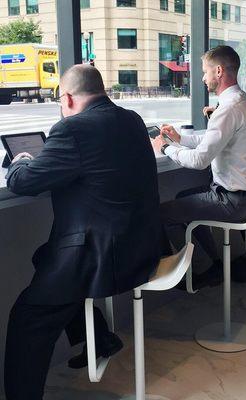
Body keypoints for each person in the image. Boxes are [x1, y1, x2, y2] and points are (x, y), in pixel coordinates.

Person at [4, 65, 161, 400]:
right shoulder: (131, 119)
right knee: (44, 257)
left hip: (106, 255)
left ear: (69, 97)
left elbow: (23, 182)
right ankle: (100, 338)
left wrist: (21, 159)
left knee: (28, 317)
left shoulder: (72, 129)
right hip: (143, 243)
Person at [152, 45, 246, 289]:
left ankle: (201, 269)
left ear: (218, 71)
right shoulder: (243, 101)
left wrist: (164, 148)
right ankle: (210, 265)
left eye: (204, 72)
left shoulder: (228, 108)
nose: (203, 78)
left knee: (161, 214)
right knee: (184, 197)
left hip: (233, 200)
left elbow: (199, 160)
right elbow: (213, 140)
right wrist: (180, 139)